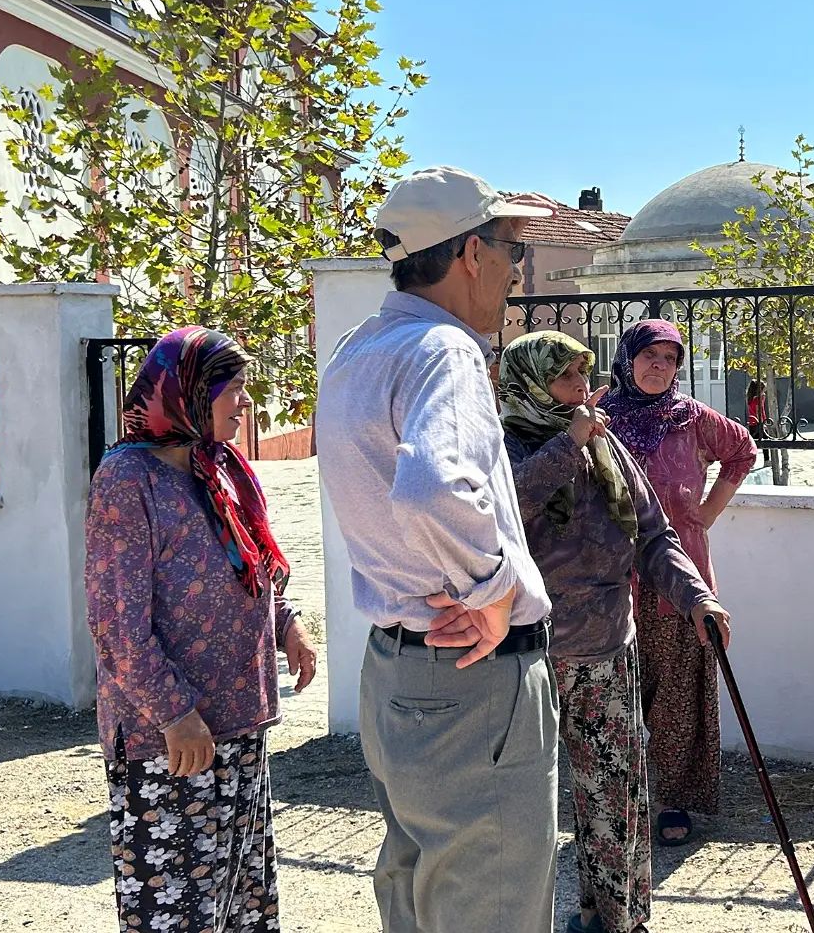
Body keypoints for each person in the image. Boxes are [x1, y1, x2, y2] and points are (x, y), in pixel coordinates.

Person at [314, 166, 561, 933]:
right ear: (469, 255)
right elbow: (432, 488)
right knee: (490, 905)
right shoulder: (444, 349)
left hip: (397, 674)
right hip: (470, 682)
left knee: (417, 895)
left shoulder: (361, 346)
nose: (516, 270)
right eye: (510, 248)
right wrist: (490, 590)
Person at [85, 326, 319, 933]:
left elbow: (248, 566)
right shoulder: (126, 481)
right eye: (233, 389)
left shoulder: (218, 468)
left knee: (242, 907)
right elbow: (115, 623)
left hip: (236, 723)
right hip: (170, 740)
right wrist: (173, 712)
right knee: (178, 915)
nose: (246, 403)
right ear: (186, 393)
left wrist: (284, 626)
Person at [497, 330, 732, 933]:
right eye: (567, 379)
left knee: (617, 796)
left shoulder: (605, 447)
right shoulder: (500, 447)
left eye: (584, 378)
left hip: (606, 647)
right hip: (527, 656)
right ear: (530, 384)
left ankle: (618, 920)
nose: (582, 392)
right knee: (525, 806)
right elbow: (502, 514)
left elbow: (654, 536)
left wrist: (697, 598)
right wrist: (565, 446)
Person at [600, 320, 757, 845]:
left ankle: (672, 801)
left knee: (677, 694)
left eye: (670, 358)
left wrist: (706, 512)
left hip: (679, 579)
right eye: (649, 355)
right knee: (617, 690)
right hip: (613, 579)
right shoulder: (601, 421)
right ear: (628, 358)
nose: (658, 366)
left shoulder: (689, 418)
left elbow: (743, 451)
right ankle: (620, 795)